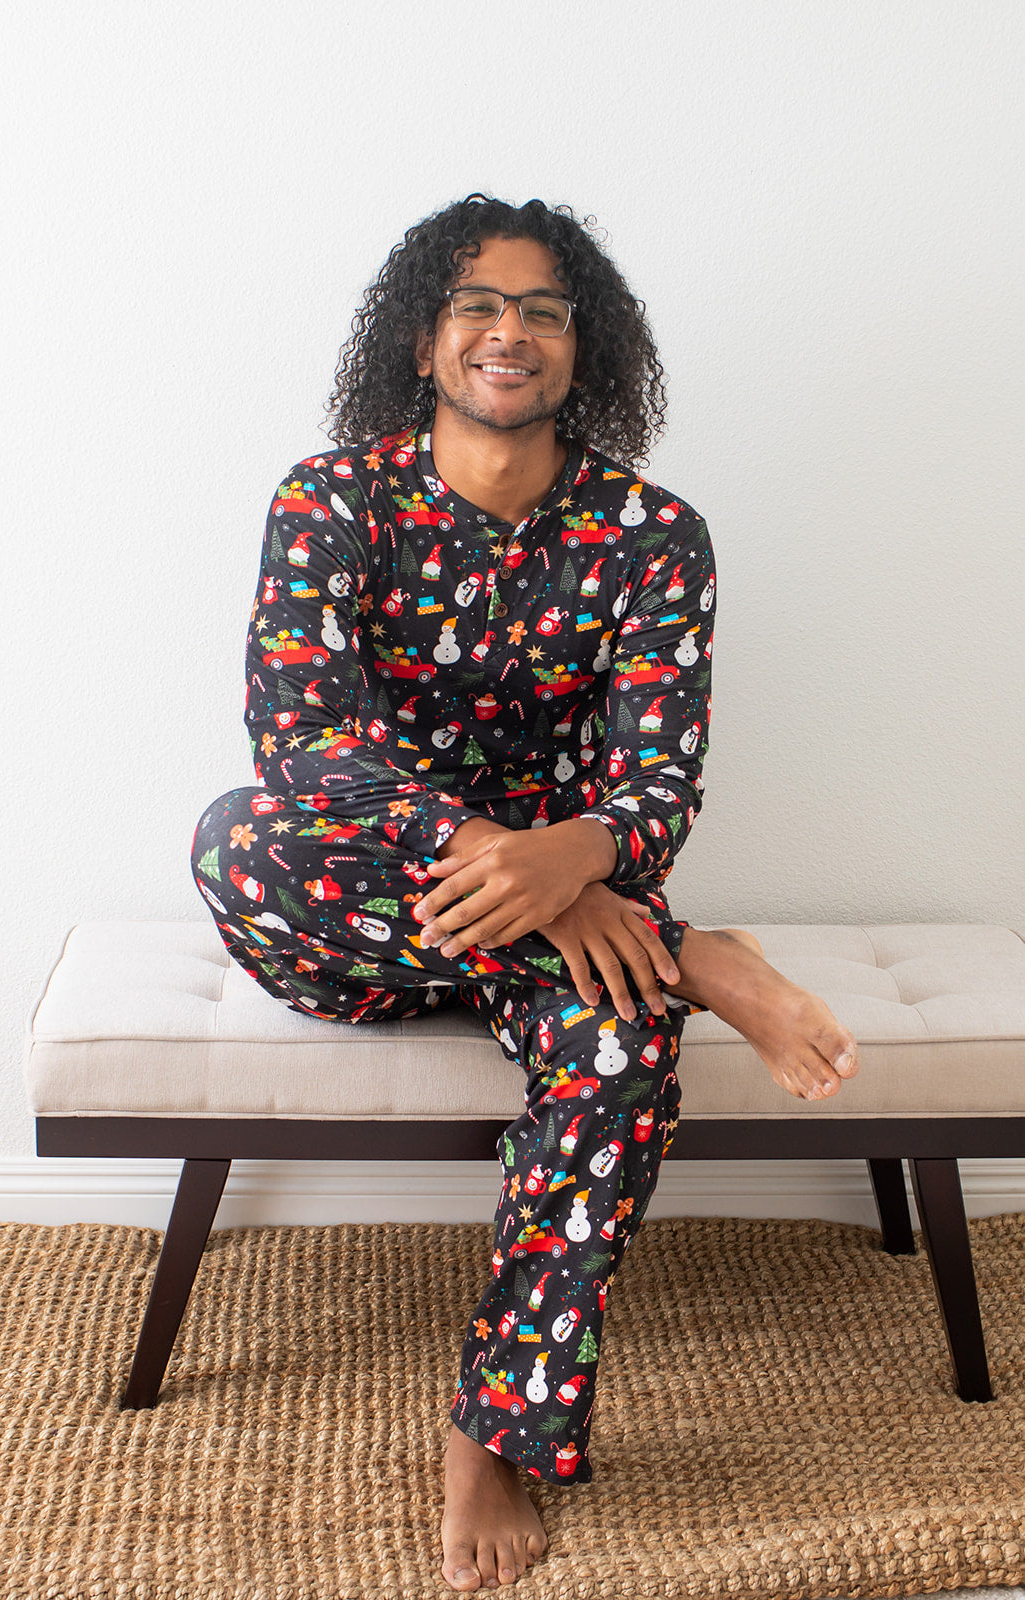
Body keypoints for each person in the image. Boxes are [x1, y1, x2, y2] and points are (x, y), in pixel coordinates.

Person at [191, 194, 859, 1593]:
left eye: (544, 311)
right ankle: (692, 953)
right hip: (372, 910)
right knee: (241, 837)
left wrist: (580, 857)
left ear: (584, 345)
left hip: (561, 924)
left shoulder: (655, 535)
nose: (510, 332)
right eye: (478, 306)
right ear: (424, 338)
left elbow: (657, 785)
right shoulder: (333, 498)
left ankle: (496, 1434)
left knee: (625, 1040)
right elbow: (306, 735)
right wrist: (528, 874)